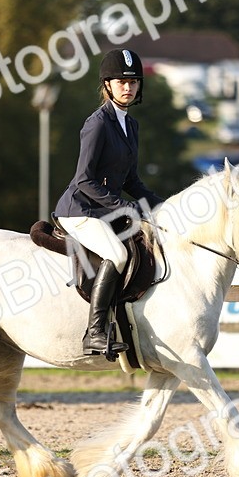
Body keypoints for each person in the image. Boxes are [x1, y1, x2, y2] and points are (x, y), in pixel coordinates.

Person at [54, 48, 165, 358]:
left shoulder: (132, 126)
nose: (127, 88)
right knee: (116, 254)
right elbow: (84, 181)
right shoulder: (97, 124)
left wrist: (163, 206)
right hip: (80, 210)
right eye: (120, 82)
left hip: (103, 210)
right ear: (107, 85)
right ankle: (95, 333)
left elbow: (132, 181)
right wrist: (124, 207)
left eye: (133, 82)